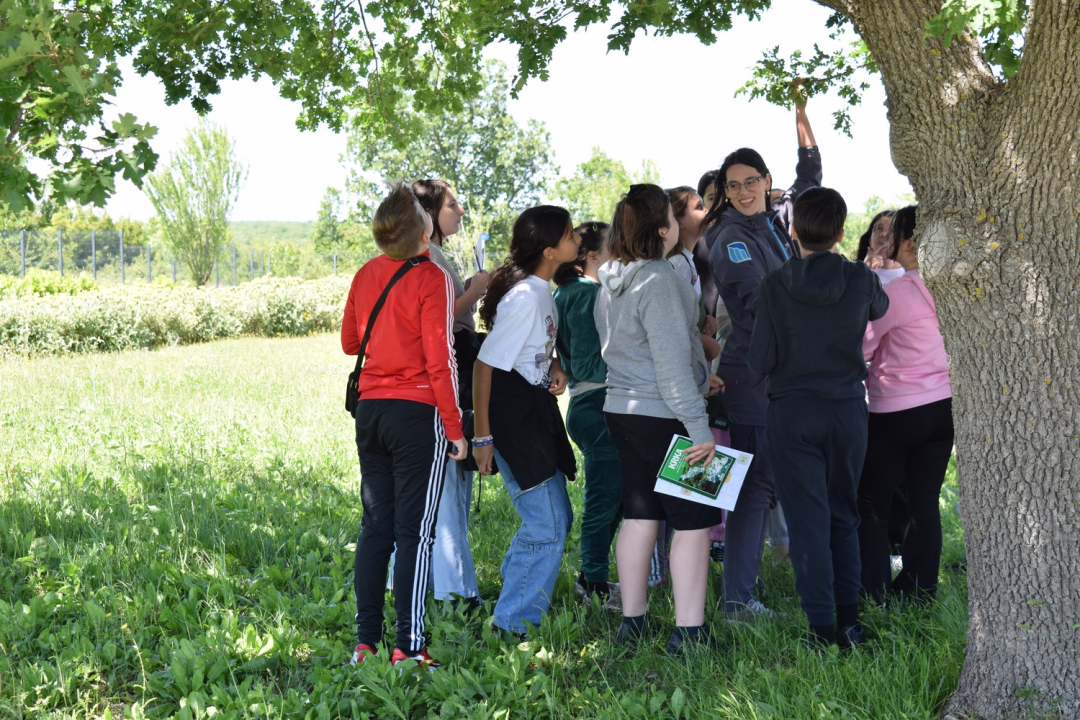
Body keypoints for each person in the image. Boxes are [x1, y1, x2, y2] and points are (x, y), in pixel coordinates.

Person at [748, 187, 889, 647]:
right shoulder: (861, 279)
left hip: (793, 413)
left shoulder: (773, 285)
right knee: (843, 516)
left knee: (808, 521)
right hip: (847, 409)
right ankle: (849, 621)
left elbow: (758, 362)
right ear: (842, 233)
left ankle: (820, 628)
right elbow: (880, 308)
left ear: (792, 230)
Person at [341, 183, 467, 668]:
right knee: (415, 532)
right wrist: (455, 428)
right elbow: (442, 360)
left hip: (371, 412)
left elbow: (352, 342)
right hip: (418, 414)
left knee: (377, 528)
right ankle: (408, 646)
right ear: (423, 229)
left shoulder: (365, 272)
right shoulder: (432, 276)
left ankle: (365, 642)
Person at [704, 99, 821, 620]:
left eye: (751, 181)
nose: (743, 191)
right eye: (733, 185)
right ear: (724, 192)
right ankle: (737, 601)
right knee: (754, 490)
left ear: (767, 181)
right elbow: (756, 304)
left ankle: (742, 593)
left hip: (783, 376)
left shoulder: (773, 225)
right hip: (754, 378)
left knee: (765, 486)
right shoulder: (730, 237)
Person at [595, 183, 724, 655]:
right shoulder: (661, 279)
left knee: (640, 513)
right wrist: (700, 430)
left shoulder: (609, 281)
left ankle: (633, 622)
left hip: (623, 412)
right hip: (666, 414)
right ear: (664, 228)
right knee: (692, 523)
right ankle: (689, 633)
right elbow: (670, 371)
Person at [471, 206, 581, 638]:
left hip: (533, 409)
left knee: (556, 518)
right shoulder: (525, 297)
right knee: (547, 522)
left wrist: (552, 362)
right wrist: (483, 436)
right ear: (551, 250)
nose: (578, 242)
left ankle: (515, 597)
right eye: (571, 236)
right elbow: (484, 366)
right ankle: (511, 623)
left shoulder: (539, 289)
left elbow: (527, 348)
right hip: (513, 419)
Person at [859, 205, 954, 603]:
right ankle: (919, 594)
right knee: (924, 504)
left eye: (894, 233)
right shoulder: (951, 288)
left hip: (896, 411)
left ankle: (874, 592)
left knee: (872, 504)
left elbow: (862, 345)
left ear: (911, 243)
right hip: (943, 407)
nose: (888, 240)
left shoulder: (895, 292)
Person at [411, 179, 490, 609]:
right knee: (447, 487)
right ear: (428, 213)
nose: (460, 211)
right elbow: (438, 321)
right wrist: (475, 292)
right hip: (445, 375)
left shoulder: (435, 253)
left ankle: (428, 582)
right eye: (452, 204)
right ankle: (456, 589)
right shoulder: (432, 256)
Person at [553, 221, 622, 609]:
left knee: (620, 495)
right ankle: (592, 581)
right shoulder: (585, 293)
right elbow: (582, 355)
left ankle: (593, 575)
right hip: (597, 403)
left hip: (587, 403)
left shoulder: (567, 291)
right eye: (613, 244)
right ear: (591, 254)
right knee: (604, 498)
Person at [855, 210, 904, 286]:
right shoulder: (853, 272)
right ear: (870, 241)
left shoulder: (917, 276)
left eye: (892, 230)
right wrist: (864, 270)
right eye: (879, 228)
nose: (884, 234)